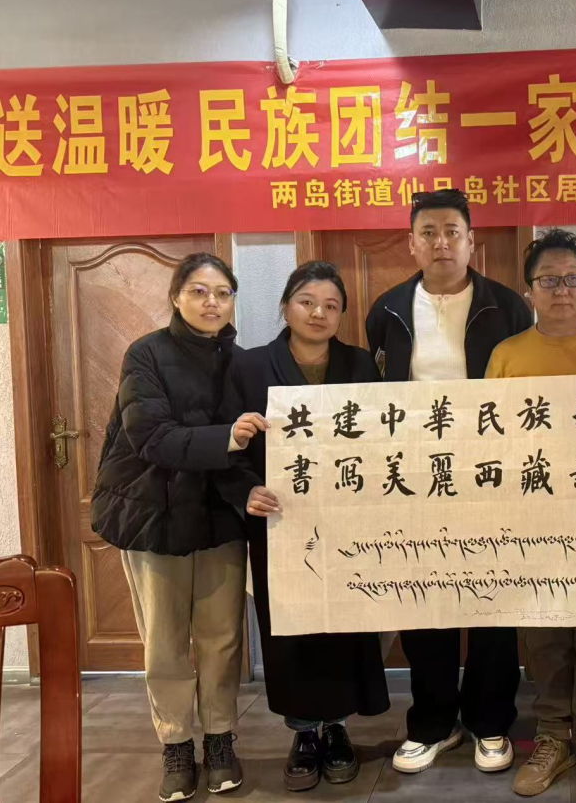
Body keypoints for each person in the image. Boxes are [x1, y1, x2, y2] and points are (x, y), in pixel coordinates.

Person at [365, 189, 532, 774]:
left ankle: (490, 721)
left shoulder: (506, 306)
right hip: (415, 478)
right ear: (412, 243)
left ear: (470, 241)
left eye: (452, 232)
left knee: (494, 601)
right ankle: (434, 723)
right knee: (424, 599)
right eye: (429, 233)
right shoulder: (388, 309)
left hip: (492, 476)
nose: (441, 243)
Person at [91, 253, 264, 802]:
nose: (212, 302)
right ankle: (175, 743)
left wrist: (252, 487)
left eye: (222, 293)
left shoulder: (243, 363)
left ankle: (220, 739)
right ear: (176, 297)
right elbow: (151, 436)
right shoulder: (145, 353)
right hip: (155, 516)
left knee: (222, 638)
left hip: (220, 517)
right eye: (199, 291)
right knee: (165, 641)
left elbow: (256, 448)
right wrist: (228, 438)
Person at [216, 261, 391, 792]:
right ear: (286, 307)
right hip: (280, 520)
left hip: (347, 520)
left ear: (341, 315)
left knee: (344, 622)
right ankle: (304, 732)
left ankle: (337, 728)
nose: (319, 313)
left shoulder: (359, 364)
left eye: (331, 306)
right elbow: (229, 439)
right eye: (307, 302)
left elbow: (382, 438)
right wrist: (245, 490)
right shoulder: (249, 366)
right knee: (292, 626)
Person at [487, 228, 576, 803]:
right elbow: (489, 442)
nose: (562, 289)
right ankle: (551, 736)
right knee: (544, 634)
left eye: (573, 279)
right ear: (530, 290)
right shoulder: (507, 356)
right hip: (532, 520)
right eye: (549, 280)